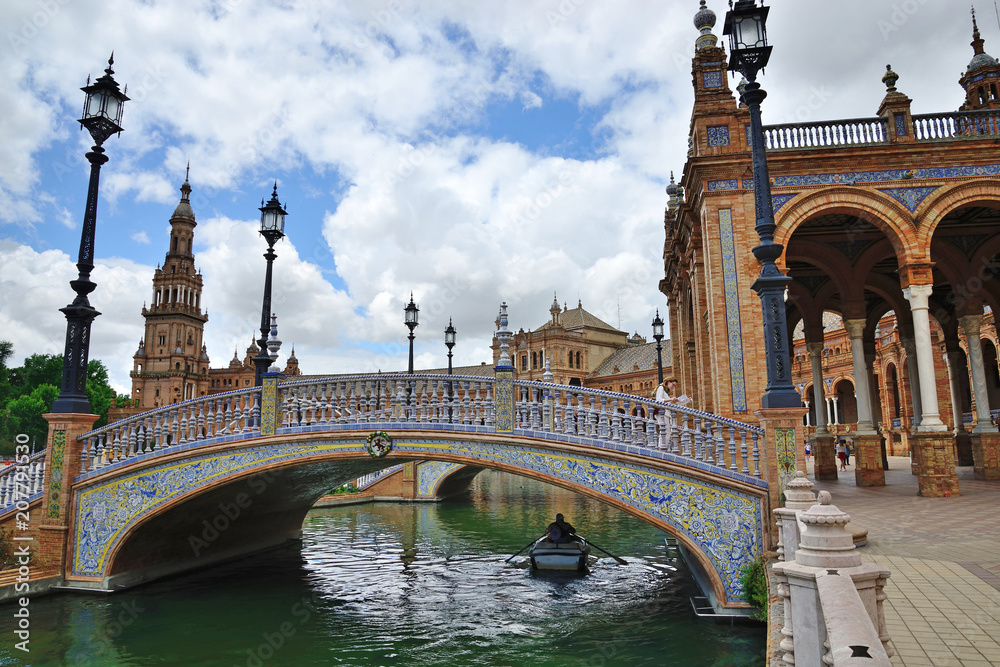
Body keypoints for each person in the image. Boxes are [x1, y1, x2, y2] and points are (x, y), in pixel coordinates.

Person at [654, 376, 680, 449]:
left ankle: (662, 448)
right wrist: (671, 399)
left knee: (667, 432)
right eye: (673, 385)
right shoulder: (661, 388)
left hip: (666, 413)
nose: (673, 387)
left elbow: (666, 402)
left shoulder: (666, 391)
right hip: (662, 413)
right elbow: (658, 400)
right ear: (668, 382)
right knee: (664, 431)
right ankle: (661, 449)